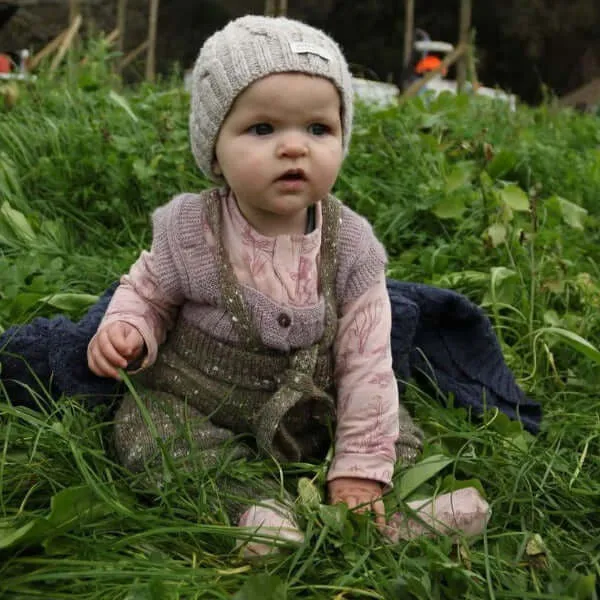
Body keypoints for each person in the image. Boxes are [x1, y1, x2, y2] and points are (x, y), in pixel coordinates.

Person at [85, 15, 489, 556]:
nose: (294, 148)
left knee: (390, 422)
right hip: (197, 397)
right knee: (150, 432)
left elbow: (367, 357)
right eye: (263, 129)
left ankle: (394, 512)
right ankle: (251, 512)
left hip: (311, 404)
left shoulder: (351, 245)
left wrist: (360, 468)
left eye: (318, 129)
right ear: (214, 149)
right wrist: (127, 328)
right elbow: (148, 291)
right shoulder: (191, 228)